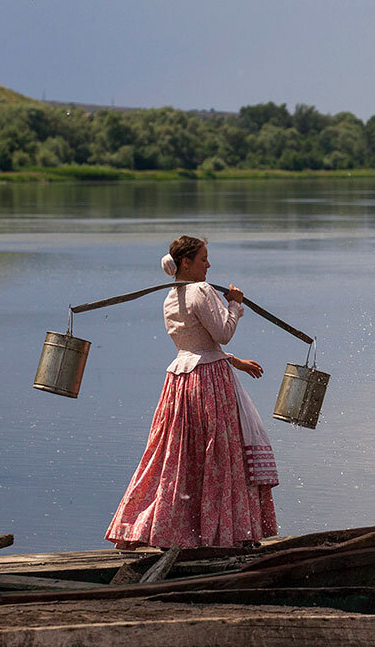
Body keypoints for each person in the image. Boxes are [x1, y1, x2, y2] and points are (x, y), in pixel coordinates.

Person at [106, 235, 279, 549]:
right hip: (209, 383)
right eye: (203, 259)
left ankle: (172, 530)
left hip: (180, 384)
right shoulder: (201, 290)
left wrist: (235, 362)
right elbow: (222, 334)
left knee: (179, 456)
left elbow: (194, 346)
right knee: (220, 456)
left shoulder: (171, 297)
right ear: (186, 263)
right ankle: (223, 534)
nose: (208, 265)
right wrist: (235, 304)